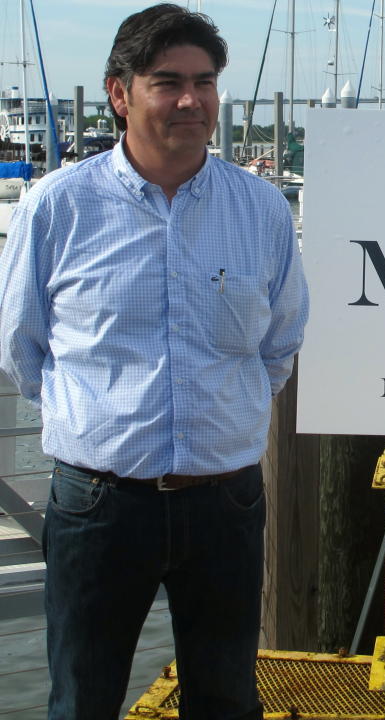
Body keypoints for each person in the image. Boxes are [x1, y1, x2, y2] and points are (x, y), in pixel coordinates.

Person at [0, 5, 309, 718]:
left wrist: (227, 421)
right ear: (119, 93)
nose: (190, 100)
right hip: (99, 502)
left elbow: (279, 341)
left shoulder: (260, 209)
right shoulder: (58, 206)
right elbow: (22, 345)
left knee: (228, 697)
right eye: (166, 82)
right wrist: (94, 420)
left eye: (204, 82)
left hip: (225, 499)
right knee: (82, 699)